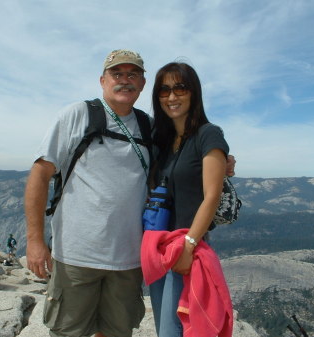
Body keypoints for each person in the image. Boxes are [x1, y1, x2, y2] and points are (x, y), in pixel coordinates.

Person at [25, 50, 236, 337]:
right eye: (117, 74)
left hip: (130, 259)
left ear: (142, 83)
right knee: (68, 332)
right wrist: (35, 241)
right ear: (103, 80)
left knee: (118, 332)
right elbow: (40, 174)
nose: (125, 80)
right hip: (77, 255)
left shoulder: (148, 127)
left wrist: (223, 160)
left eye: (132, 74)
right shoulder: (77, 115)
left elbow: (190, 159)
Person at [143, 62, 233, 337]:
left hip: (187, 248)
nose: (172, 97)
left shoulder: (208, 134)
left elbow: (212, 197)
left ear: (193, 92)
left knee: (177, 331)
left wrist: (189, 246)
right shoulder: (162, 139)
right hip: (159, 249)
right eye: (164, 90)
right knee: (165, 329)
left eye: (180, 88)